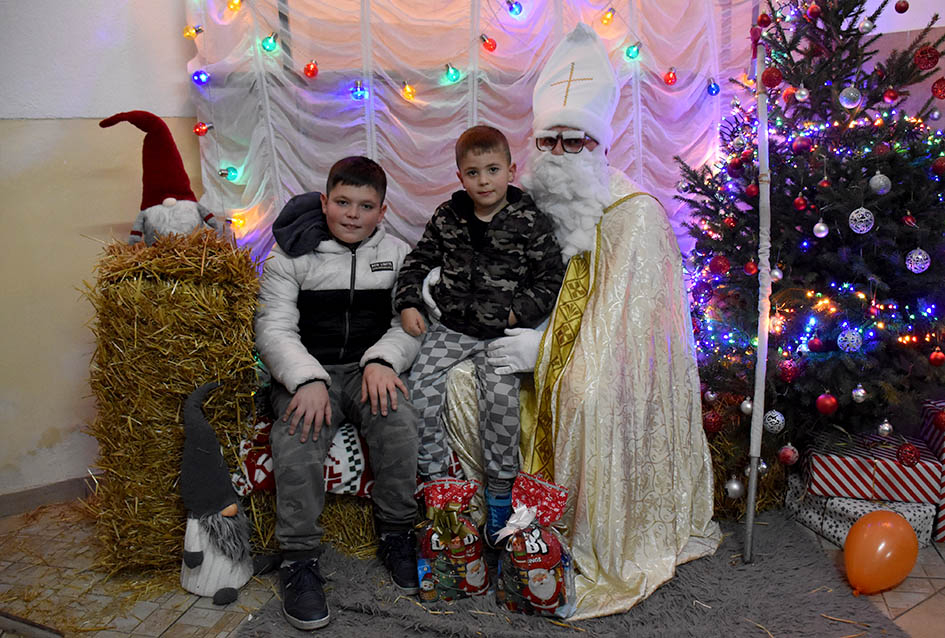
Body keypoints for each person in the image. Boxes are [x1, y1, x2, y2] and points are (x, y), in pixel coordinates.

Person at [438, 24, 721, 619]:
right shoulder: (522, 206)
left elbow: (629, 337)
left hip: (607, 371)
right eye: (549, 143)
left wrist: (543, 355)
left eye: (575, 142)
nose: (560, 156)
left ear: (602, 145)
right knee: (461, 384)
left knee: (584, 396)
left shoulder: (634, 216)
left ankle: (562, 541)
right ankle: (487, 528)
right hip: (527, 342)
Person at [255, 156, 421, 631]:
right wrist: (305, 379)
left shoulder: (398, 253)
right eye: (343, 202)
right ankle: (299, 559)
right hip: (309, 370)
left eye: (365, 206)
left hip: (365, 368)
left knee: (399, 422)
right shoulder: (290, 255)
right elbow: (274, 327)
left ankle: (396, 533)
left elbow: (407, 323)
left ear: (382, 211)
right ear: (325, 202)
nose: (353, 214)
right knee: (298, 436)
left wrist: (383, 361)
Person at [394, 125, 565, 544]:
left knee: (502, 402)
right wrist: (409, 302)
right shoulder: (447, 217)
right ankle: (438, 487)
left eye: (492, 170)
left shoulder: (529, 220)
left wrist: (515, 312)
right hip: (451, 328)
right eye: (473, 173)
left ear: (511, 170)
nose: (483, 181)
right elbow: (417, 262)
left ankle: (500, 496)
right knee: (420, 390)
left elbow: (550, 278)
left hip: (501, 334)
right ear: (460, 177)